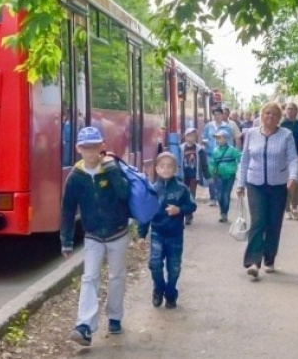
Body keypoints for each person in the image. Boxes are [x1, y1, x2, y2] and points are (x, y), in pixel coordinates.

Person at [59, 127, 130, 346]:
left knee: (117, 276)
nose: (91, 153)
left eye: (95, 147)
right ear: (78, 148)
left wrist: (111, 170)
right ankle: (85, 326)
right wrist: (67, 241)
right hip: (93, 235)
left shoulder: (111, 167)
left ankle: (115, 316)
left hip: (118, 231)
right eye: (86, 148)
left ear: (102, 147)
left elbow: (124, 194)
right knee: (89, 277)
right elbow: (68, 210)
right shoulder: (75, 177)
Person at [236, 102, 298, 278]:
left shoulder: (286, 135)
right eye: (267, 113)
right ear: (261, 115)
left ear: (279, 118)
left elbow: (293, 159)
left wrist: (293, 177)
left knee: (273, 223)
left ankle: (269, 258)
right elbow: (245, 159)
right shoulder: (251, 134)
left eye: (274, 114)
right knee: (258, 221)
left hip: (278, 185)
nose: (270, 117)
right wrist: (240, 183)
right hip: (255, 183)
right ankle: (254, 262)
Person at [137, 152, 197, 309]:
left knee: (174, 267)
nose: (166, 169)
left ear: (176, 169)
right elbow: (145, 214)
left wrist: (179, 209)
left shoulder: (182, 189)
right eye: (162, 166)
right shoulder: (151, 190)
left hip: (175, 234)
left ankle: (171, 293)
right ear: (156, 168)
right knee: (155, 264)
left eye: (170, 166)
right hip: (157, 233)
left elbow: (192, 206)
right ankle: (158, 288)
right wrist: (141, 235)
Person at [280, 102, 298, 219]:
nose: (290, 111)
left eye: (292, 109)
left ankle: (294, 208)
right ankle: (286, 209)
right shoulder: (282, 124)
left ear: (296, 111)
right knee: (285, 183)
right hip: (283, 157)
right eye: (288, 109)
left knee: (296, 183)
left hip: (297, 156)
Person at [209, 129, 242, 222]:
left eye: (220, 138)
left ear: (226, 139)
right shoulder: (215, 151)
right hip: (218, 175)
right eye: (217, 138)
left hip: (230, 175)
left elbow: (240, 157)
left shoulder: (232, 150)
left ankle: (224, 214)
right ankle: (222, 211)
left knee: (226, 195)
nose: (218, 140)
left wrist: (240, 168)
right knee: (219, 195)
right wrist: (211, 175)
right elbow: (212, 163)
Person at [202, 108, 233, 206]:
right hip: (210, 155)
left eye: (218, 114)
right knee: (211, 177)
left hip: (222, 156)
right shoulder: (209, 126)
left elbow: (230, 141)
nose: (217, 116)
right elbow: (204, 137)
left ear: (222, 115)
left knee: (219, 177)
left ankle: (219, 196)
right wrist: (205, 143)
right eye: (215, 114)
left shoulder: (226, 127)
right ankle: (212, 198)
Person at [179, 128, 208, 225]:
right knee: (184, 194)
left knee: (191, 194)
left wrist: (207, 175)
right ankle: (187, 212)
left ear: (196, 137)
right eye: (189, 135)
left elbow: (204, 163)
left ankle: (188, 214)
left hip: (194, 176)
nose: (191, 138)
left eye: (193, 136)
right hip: (183, 175)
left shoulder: (199, 149)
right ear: (185, 136)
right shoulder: (180, 148)